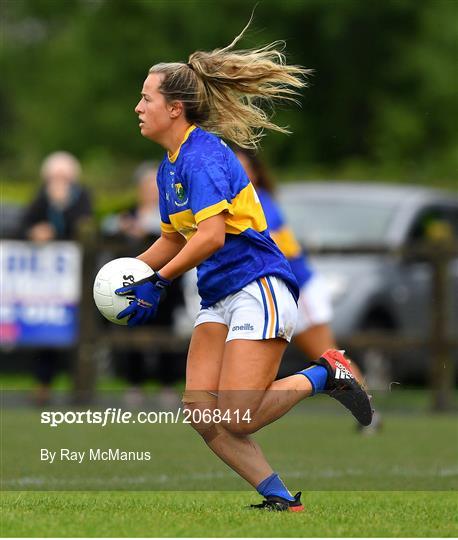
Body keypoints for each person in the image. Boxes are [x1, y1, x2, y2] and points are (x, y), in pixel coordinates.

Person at [115, 26, 373, 511]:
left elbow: (211, 236)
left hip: (258, 284)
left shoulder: (204, 156)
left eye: (145, 97)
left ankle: (325, 374)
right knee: (200, 411)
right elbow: (173, 237)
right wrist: (126, 272)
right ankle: (282, 500)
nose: (137, 106)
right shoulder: (169, 166)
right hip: (219, 294)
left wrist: (160, 279)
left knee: (237, 416)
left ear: (175, 108)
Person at [101, 162, 184, 408]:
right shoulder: (128, 213)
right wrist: (124, 227)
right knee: (133, 327)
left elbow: (180, 235)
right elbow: (107, 225)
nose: (150, 191)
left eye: (153, 186)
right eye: (145, 186)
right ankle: (134, 383)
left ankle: (167, 383)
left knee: (165, 329)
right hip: (133, 284)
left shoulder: (170, 211)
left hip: (166, 283)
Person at [19, 151, 93, 405]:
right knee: (47, 333)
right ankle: (43, 385)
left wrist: (62, 207)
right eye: (54, 176)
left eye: (63, 176)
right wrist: (34, 232)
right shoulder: (41, 197)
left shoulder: (82, 196)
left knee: (81, 333)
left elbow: (86, 226)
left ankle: (79, 386)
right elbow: (23, 224)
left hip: (78, 279)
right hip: (48, 283)